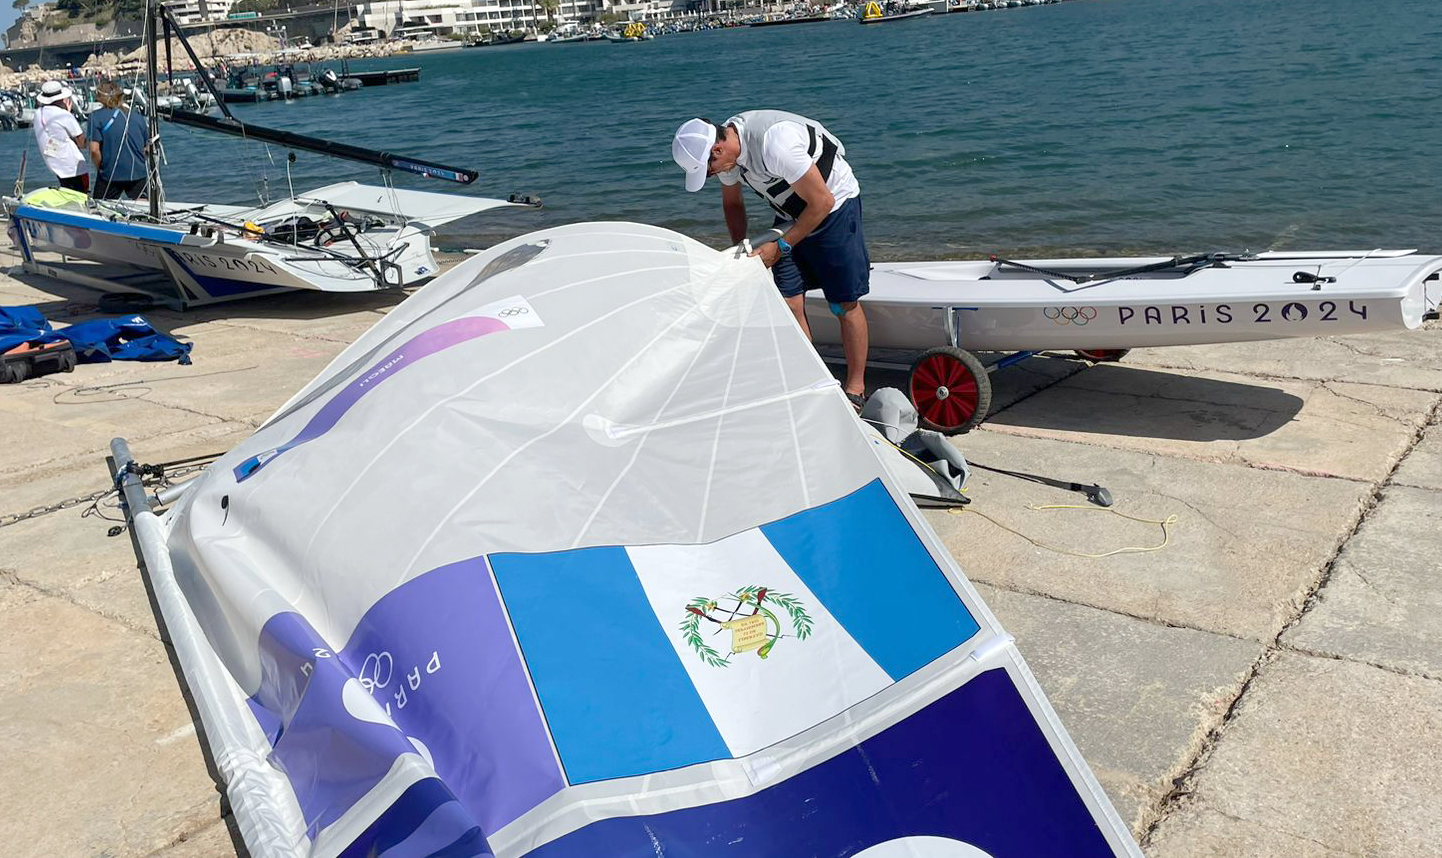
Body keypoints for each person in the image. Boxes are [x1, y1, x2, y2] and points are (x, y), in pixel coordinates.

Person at [672, 111, 870, 408]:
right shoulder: (728, 152)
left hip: (834, 207)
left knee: (843, 304)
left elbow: (822, 201)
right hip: (790, 213)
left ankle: (855, 388)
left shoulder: (775, 144)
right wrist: (739, 248)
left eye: (709, 171)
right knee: (789, 302)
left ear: (717, 150)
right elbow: (733, 204)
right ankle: (812, 377)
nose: (712, 175)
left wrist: (780, 248)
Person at [86, 81, 149, 200]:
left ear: (100, 97)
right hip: (136, 172)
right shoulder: (137, 117)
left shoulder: (95, 117)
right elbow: (147, 148)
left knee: (99, 209)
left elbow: (94, 150)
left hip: (110, 173)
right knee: (143, 207)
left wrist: (100, 167)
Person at [32, 80, 88, 193]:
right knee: (82, 193)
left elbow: (56, 132)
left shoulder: (38, 114)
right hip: (74, 167)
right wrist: (68, 113)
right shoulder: (64, 115)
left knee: (68, 191)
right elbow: (82, 143)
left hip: (55, 165)